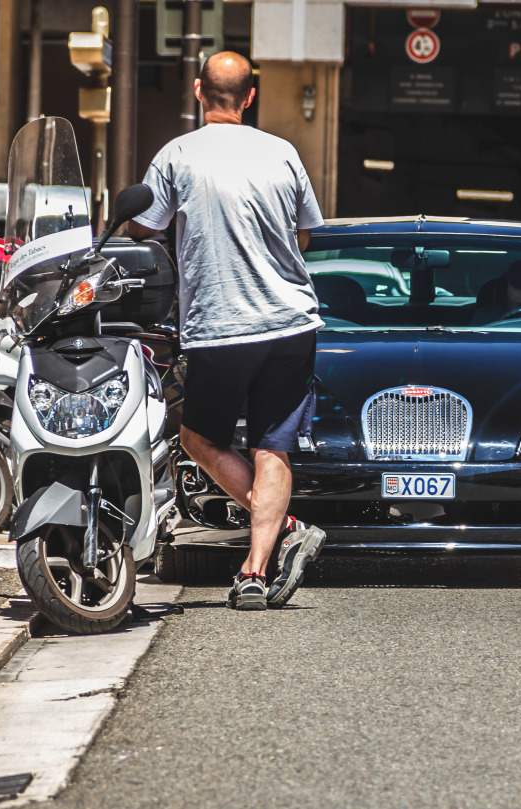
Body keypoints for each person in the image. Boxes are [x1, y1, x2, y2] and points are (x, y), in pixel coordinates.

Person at [128, 52, 327, 611]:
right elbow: (305, 236)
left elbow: (147, 227)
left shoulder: (178, 154)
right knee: (273, 448)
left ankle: (288, 527)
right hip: (292, 322)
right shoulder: (283, 153)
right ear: (250, 96)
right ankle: (254, 574)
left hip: (221, 326)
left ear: (198, 91)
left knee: (198, 439)